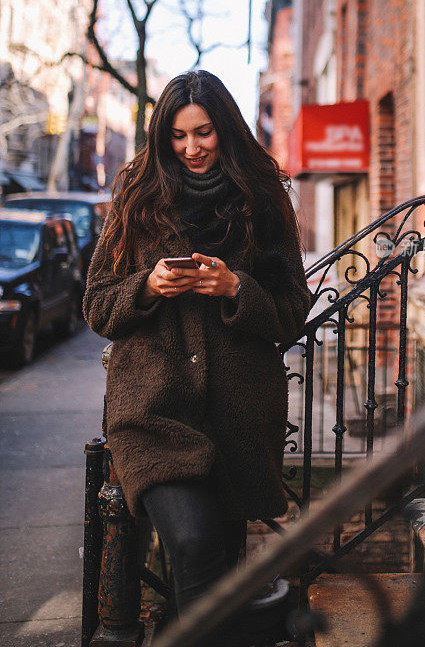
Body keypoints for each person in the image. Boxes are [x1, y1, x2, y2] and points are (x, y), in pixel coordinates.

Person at [83, 70, 311, 644]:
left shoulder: (263, 197)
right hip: (154, 412)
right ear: (163, 139)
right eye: (178, 137)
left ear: (225, 130)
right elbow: (96, 304)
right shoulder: (136, 192)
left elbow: (292, 311)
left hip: (238, 418)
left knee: (210, 572)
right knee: (190, 541)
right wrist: (148, 287)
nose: (192, 149)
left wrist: (238, 288)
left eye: (204, 133)